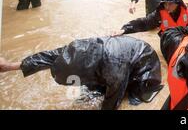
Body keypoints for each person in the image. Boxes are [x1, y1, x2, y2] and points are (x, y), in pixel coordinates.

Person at [0, 36, 162, 110]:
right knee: (90, 91)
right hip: (110, 62)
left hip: (144, 63)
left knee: (132, 94)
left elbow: (112, 101)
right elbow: (45, 57)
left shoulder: (113, 69)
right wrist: (10, 66)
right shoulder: (73, 50)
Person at [115, 0, 188, 37]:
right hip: (168, 43)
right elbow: (144, 22)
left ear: (178, 3)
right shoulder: (159, 14)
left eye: (170, 4)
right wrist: (125, 29)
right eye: (165, 4)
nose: (167, 7)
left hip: (184, 39)